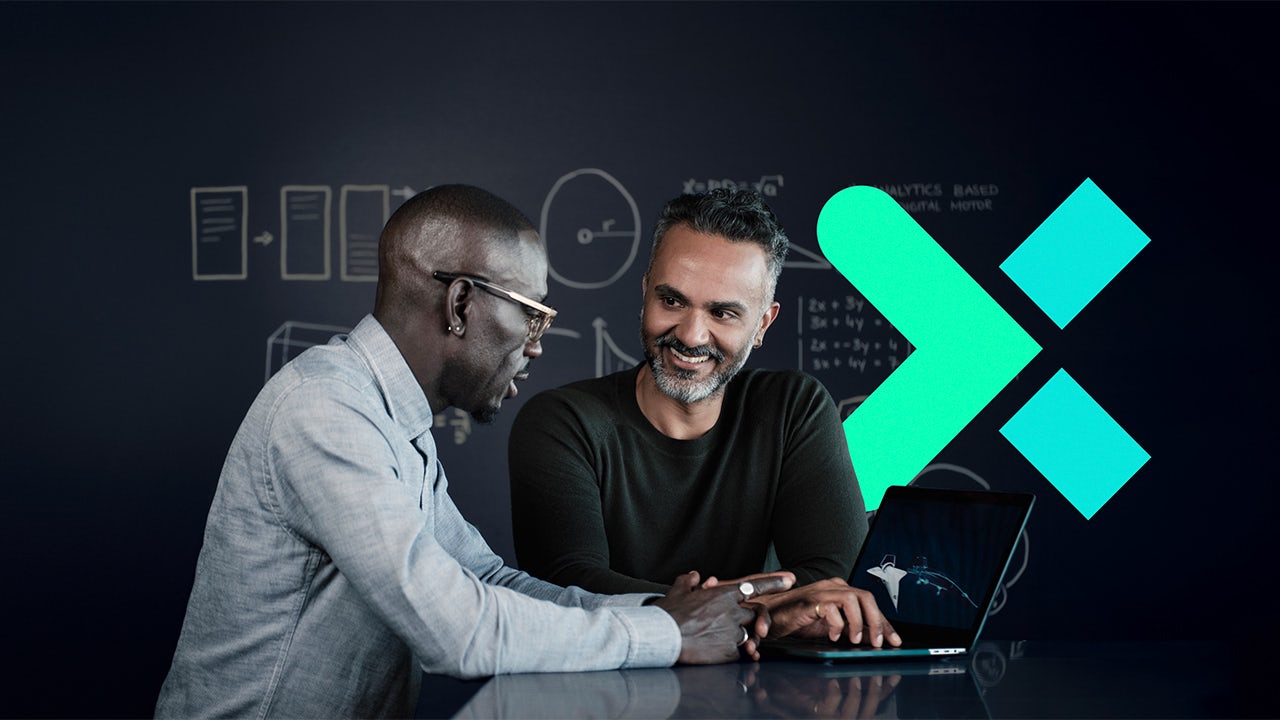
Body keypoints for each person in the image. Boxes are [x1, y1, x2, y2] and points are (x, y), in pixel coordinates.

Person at [156, 184, 792, 718]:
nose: (537, 345)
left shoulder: (392, 424)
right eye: (532, 316)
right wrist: (667, 633)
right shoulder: (324, 411)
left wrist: (668, 610)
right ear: (460, 303)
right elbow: (456, 629)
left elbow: (486, 579)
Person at [509, 188, 901, 648]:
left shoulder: (793, 408)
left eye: (722, 313)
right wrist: (765, 612)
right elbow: (568, 587)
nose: (691, 335)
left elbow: (835, 585)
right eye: (672, 302)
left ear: (762, 325)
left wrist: (723, 614)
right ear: (644, 293)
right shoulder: (563, 423)